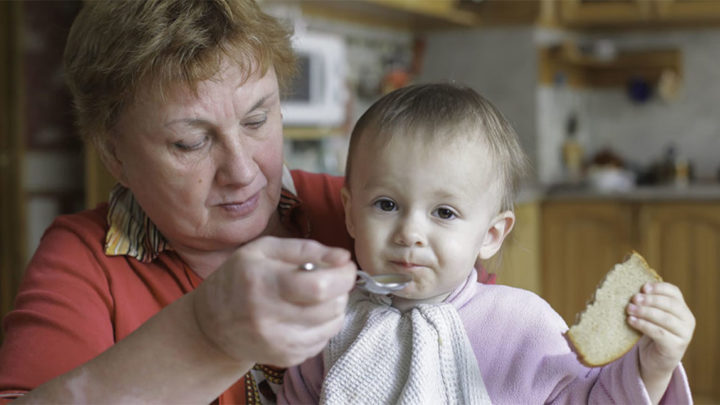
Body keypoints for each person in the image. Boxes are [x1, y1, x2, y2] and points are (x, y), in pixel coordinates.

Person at [0, 1, 363, 403]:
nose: (242, 172)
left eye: (256, 121)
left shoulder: (364, 210)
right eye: (191, 142)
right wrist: (205, 335)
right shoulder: (85, 258)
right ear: (114, 154)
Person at [279, 83, 695, 404]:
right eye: (386, 204)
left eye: (444, 212)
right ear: (351, 213)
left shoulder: (523, 325)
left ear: (491, 234)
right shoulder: (328, 324)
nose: (410, 233)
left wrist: (654, 366)